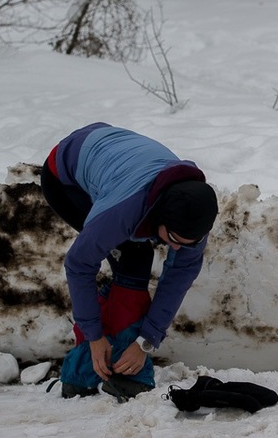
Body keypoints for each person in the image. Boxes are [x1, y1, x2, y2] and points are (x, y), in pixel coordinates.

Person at [40, 122, 218, 400]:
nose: (175, 247)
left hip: (113, 156)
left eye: (187, 243)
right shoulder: (123, 210)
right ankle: (85, 372)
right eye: (172, 238)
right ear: (159, 216)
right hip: (64, 175)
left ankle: (113, 366)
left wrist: (146, 341)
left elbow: (178, 278)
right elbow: (79, 264)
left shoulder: (194, 219)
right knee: (134, 256)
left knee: (136, 256)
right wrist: (94, 336)